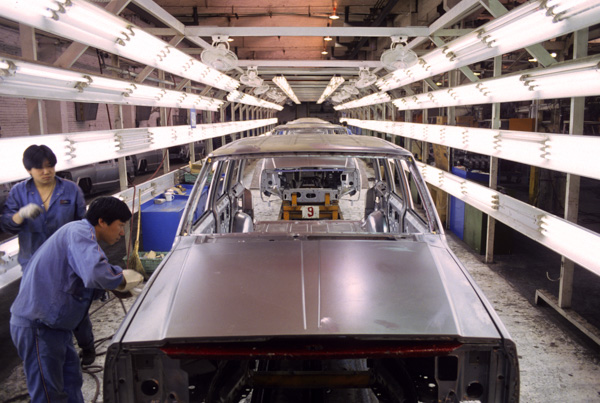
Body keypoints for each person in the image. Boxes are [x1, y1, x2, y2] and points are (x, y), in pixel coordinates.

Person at [9, 196, 143, 402]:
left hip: (57, 328)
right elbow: (96, 273)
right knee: (49, 393)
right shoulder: (79, 232)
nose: (122, 232)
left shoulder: (85, 239)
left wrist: (87, 343)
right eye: (120, 225)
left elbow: (80, 291)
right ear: (102, 221)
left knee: (71, 381)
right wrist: (120, 279)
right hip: (37, 326)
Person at [0, 145, 98, 365]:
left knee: (75, 306)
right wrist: (20, 215)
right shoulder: (18, 193)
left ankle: (87, 346)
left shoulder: (71, 190)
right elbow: (7, 223)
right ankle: (53, 353)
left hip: (68, 261)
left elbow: (84, 225)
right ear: (29, 170)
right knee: (39, 311)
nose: (46, 171)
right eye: (40, 168)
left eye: (50, 166)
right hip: (33, 263)